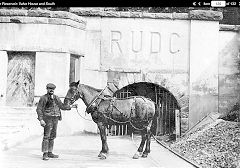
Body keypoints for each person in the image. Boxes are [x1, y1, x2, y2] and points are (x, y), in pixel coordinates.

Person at [36, 83, 76, 161]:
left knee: (53, 135)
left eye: (53, 89)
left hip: (56, 118)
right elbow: (39, 109)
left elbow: (62, 106)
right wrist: (41, 119)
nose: (51, 90)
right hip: (47, 119)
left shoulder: (56, 97)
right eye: (49, 89)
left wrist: (71, 106)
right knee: (46, 136)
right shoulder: (43, 98)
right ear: (47, 89)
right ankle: (45, 153)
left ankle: (50, 152)